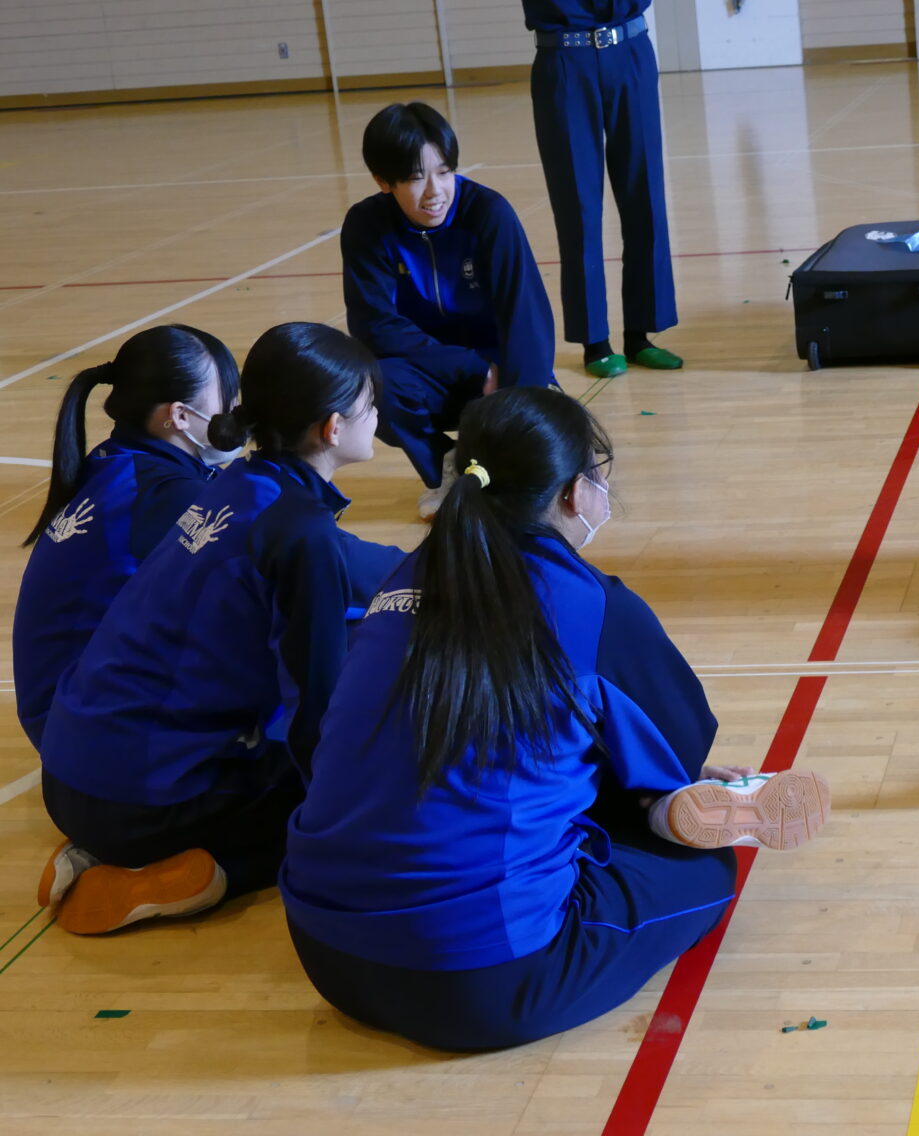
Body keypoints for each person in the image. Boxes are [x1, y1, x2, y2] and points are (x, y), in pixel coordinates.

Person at [281, 387, 827, 1051]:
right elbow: (682, 749)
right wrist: (672, 784)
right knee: (707, 872)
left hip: (323, 951)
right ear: (573, 493)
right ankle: (643, 823)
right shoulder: (594, 606)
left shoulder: (401, 579)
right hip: (475, 983)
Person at [35, 323, 405, 936]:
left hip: (69, 778)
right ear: (332, 428)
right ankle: (191, 873)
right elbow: (316, 715)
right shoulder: (298, 534)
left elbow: (347, 562)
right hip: (133, 799)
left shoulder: (234, 483)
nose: (377, 417)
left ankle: (99, 850)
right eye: (370, 407)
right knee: (354, 792)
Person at [455, 0, 684, 379]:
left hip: (631, 49)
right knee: (578, 205)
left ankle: (641, 334)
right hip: (563, 59)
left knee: (646, 197)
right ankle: (595, 342)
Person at [14, 324, 241, 750]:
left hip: (66, 713)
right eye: (227, 401)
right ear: (178, 416)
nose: (236, 411)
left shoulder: (113, 462)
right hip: (91, 731)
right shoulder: (169, 496)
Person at [341, 101, 558, 517]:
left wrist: (522, 398)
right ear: (383, 181)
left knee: (526, 472)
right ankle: (448, 468)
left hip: (504, 373)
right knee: (369, 386)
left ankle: (506, 458)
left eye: (444, 172)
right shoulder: (366, 225)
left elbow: (526, 319)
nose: (435, 191)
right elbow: (372, 327)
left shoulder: (489, 213)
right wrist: (472, 368)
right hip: (438, 373)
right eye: (415, 178)